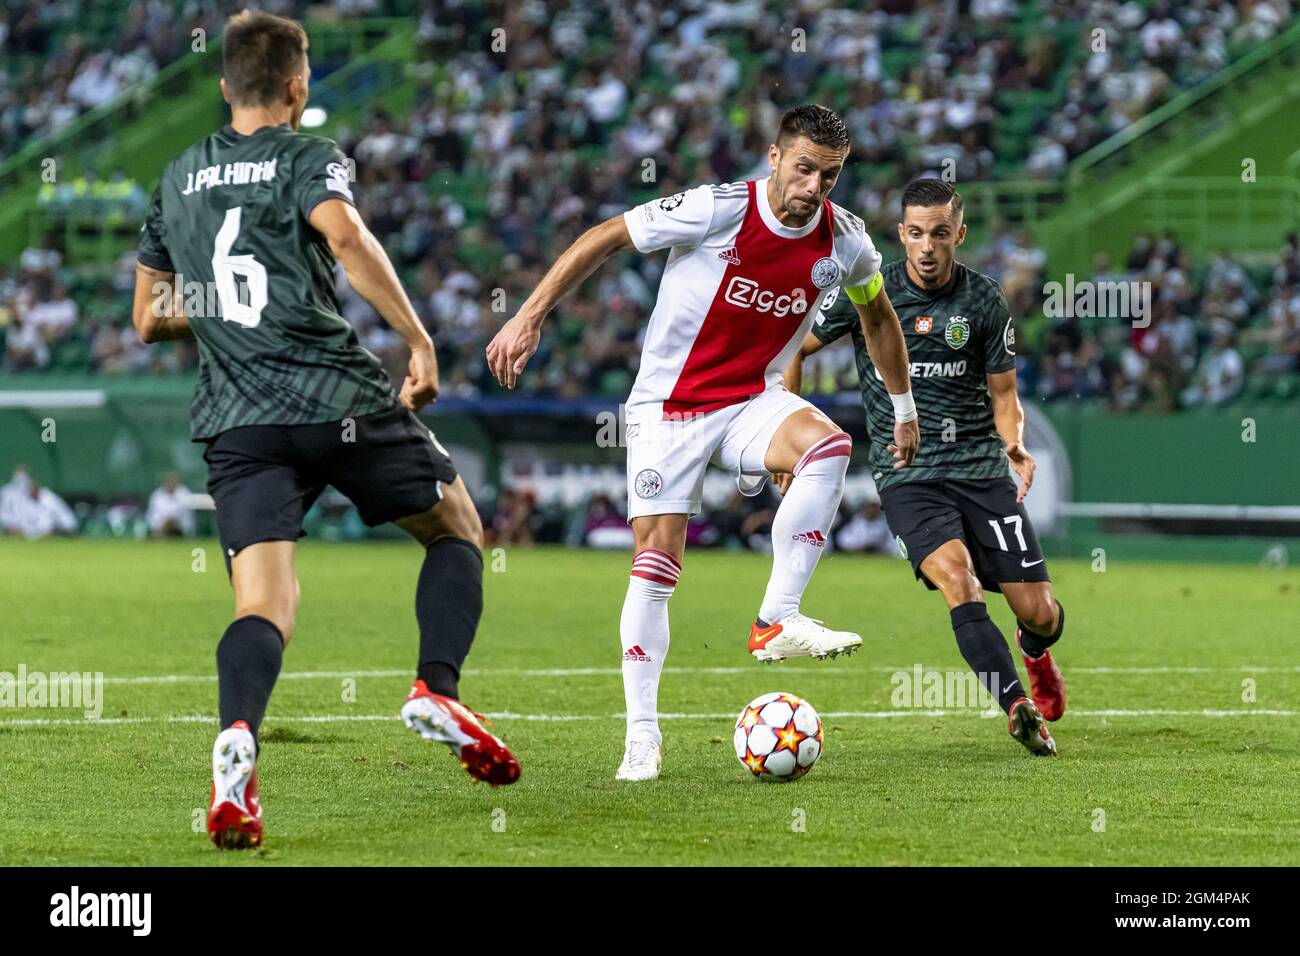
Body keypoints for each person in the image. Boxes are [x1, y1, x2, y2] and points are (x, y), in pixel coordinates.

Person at [132, 10, 519, 850]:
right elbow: (344, 235)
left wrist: (229, 309)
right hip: (337, 399)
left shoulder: (175, 174)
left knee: (263, 603)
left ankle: (238, 735)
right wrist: (418, 339)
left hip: (238, 419)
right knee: (456, 527)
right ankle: (434, 688)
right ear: (298, 87)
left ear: (224, 84)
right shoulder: (310, 156)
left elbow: (149, 318)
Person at [487, 104, 918, 780]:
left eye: (829, 177)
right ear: (774, 159)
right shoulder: (716, 209)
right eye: (804, 169)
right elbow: (606, 235)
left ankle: (776, 620)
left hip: (752, 398)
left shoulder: (848, 242)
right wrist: (528, 317)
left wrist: (903, 405)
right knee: (657, 562)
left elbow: (878, 316)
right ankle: (642, 738)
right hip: (670, 407)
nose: (814, 187)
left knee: (828, 446)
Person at [784, 179, 1066, 757]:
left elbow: (1005, 393)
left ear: (959, 234)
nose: (929, 246)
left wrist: (1013, 443)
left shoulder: (984, 298)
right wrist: (788, 431)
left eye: (940, 233)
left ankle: (1035, 651)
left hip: (982, 469)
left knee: (1040, 613)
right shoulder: (870, 290)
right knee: (958, 582)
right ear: (902, 235)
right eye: (916, 234)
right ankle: (1017, 705)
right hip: (907, 475)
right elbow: (794, 352)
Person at [146, 471, 196, 537]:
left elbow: (182, 512)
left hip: (180, 529)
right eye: (168, 481)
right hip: (161, 527)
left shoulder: (184, 493)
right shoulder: (157, 494)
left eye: (172, 481)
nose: (170, 483)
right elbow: (153, 513)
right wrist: (161, 523)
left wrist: (170, 521)